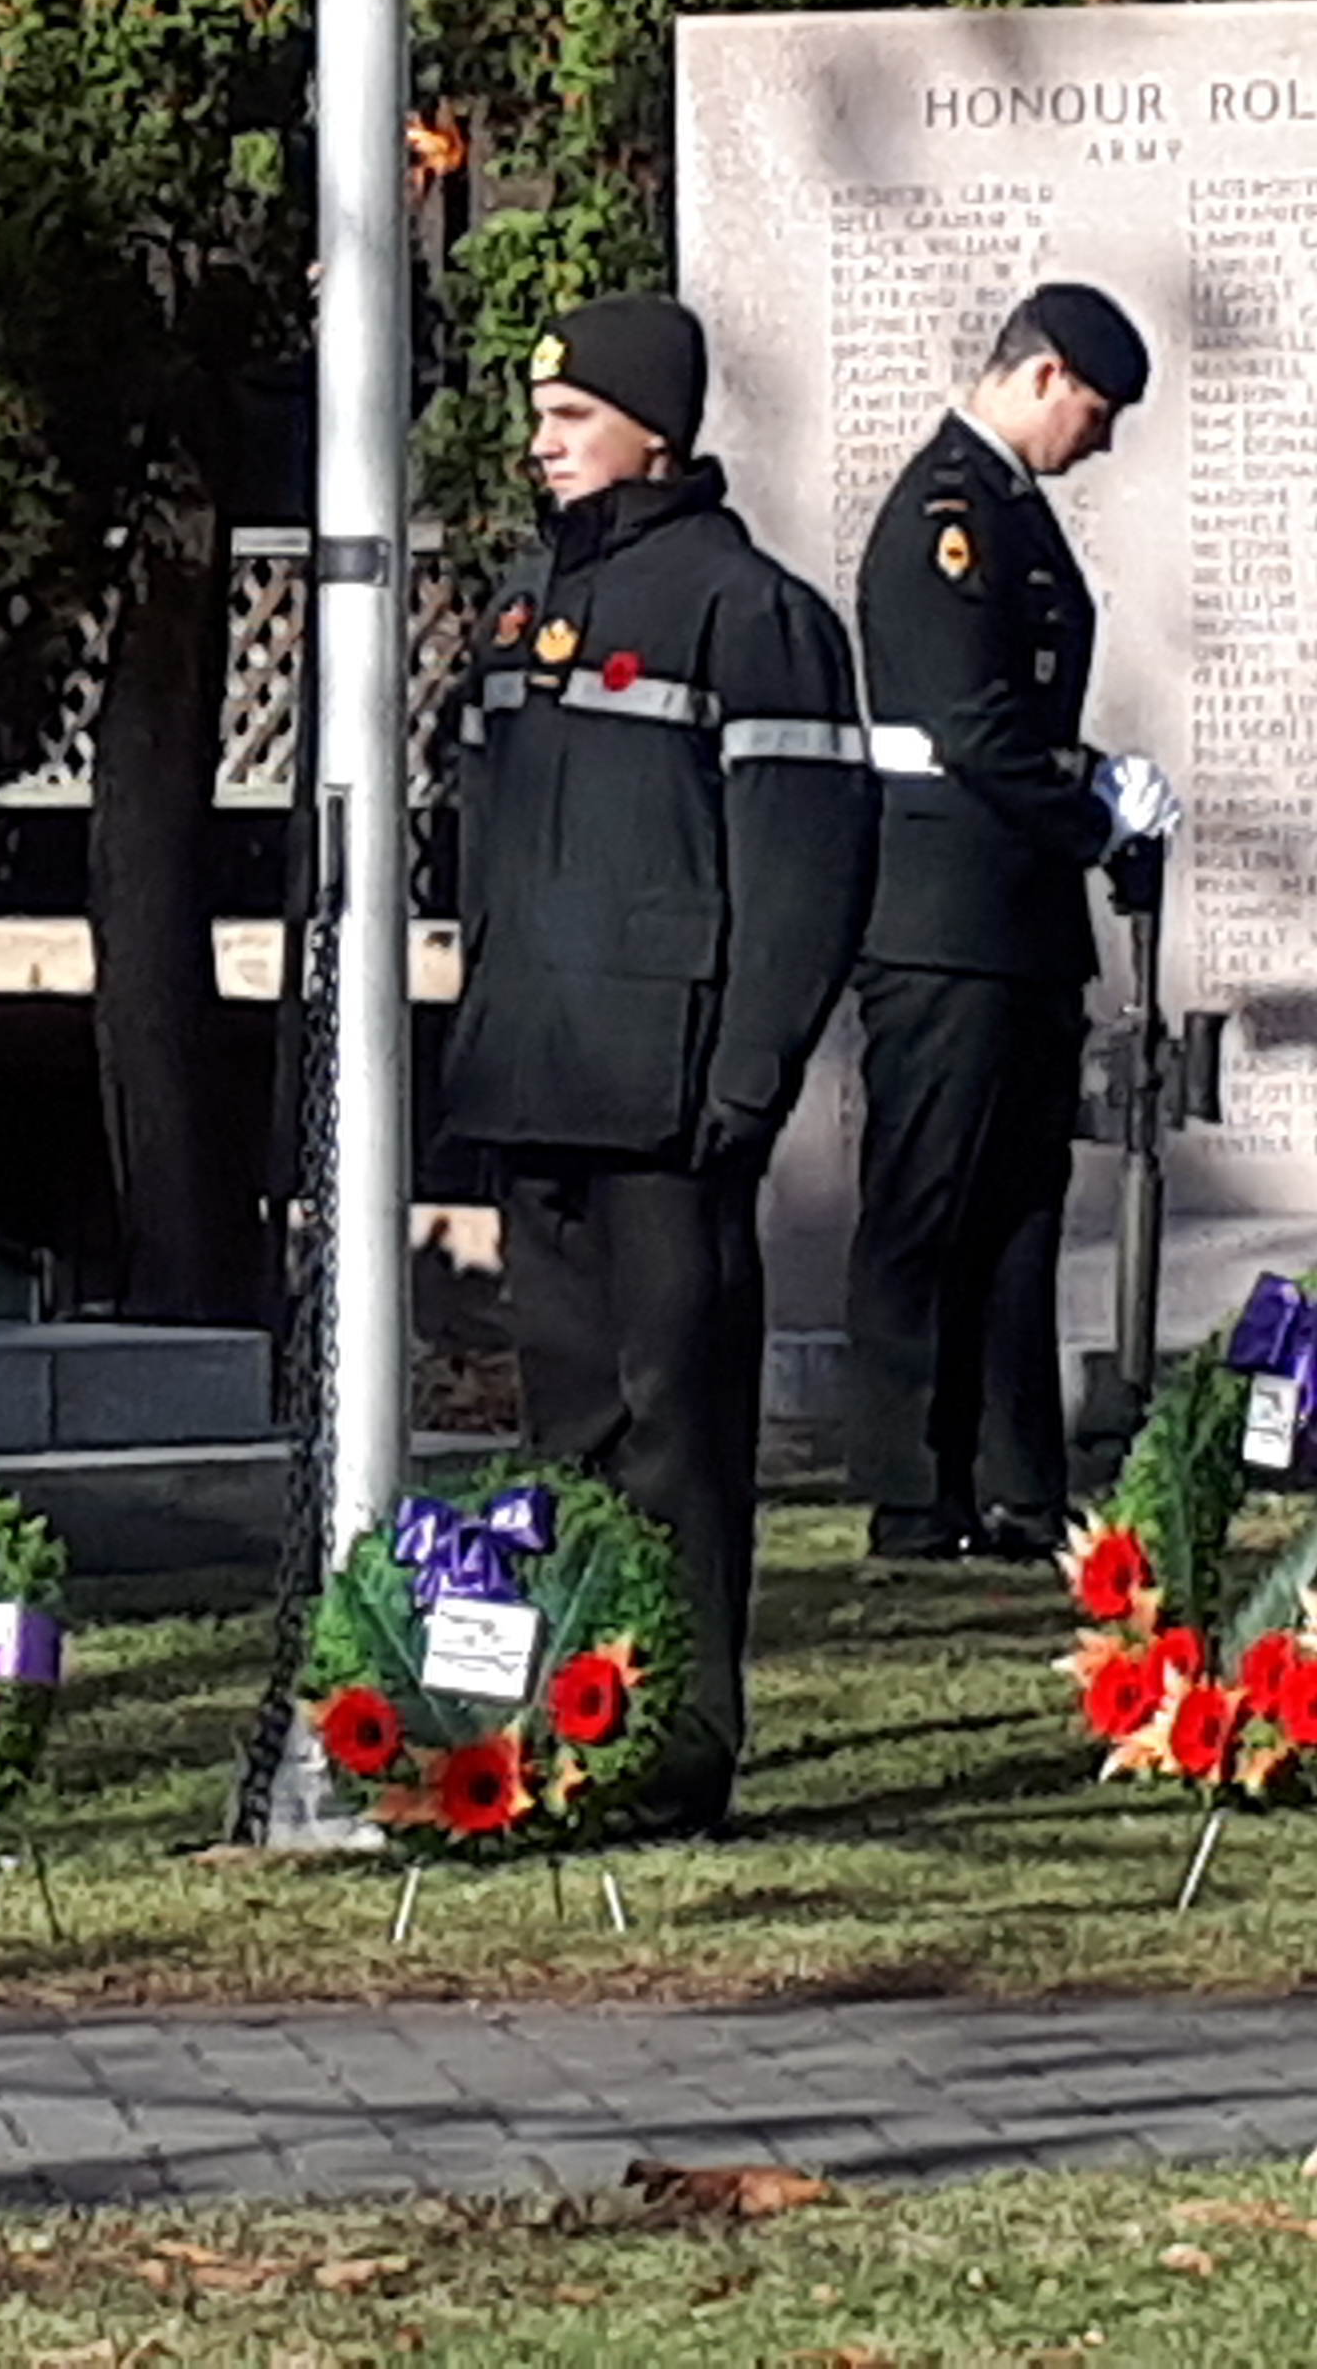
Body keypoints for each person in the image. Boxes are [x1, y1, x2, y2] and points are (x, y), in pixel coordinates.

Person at [440, 293, 877, 1834]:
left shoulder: (748, 615)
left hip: (674, 1099)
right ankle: (569, 1720)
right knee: (565, 1424)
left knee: (676, 1428)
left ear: (656, 429)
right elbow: (485, 855)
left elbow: (805, 871)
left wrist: (745, 1082)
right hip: (539, 1084)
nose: (540, 444)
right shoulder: (518, 615)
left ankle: (680, 1743)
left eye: (571, 419)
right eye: (539, 417)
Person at [840, 281, 1172, 1563]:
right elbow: (970, 726)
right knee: (930, 1205)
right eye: (1096, 411)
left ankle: (1019, 1475)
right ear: (1041, 379)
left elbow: (1018, 721)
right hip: (945, 922)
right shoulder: (946, 519)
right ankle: (914, 1489)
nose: (1102, 441)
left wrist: (1089, 779)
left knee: (1020, 1207)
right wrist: (1088, 813)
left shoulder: (1011, 513)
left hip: (1015, 920)